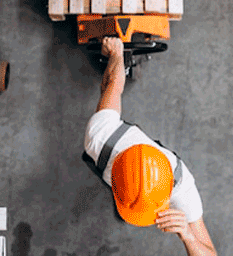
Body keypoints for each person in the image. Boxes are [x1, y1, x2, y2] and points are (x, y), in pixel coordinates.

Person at [82, 37, 217, 256]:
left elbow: (112, 88)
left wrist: (188, 236)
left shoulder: (182, 190)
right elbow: (111, 86)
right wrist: (117, 55)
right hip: (115, 164)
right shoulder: (100, 138)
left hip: (118, 168)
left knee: (106, 101)